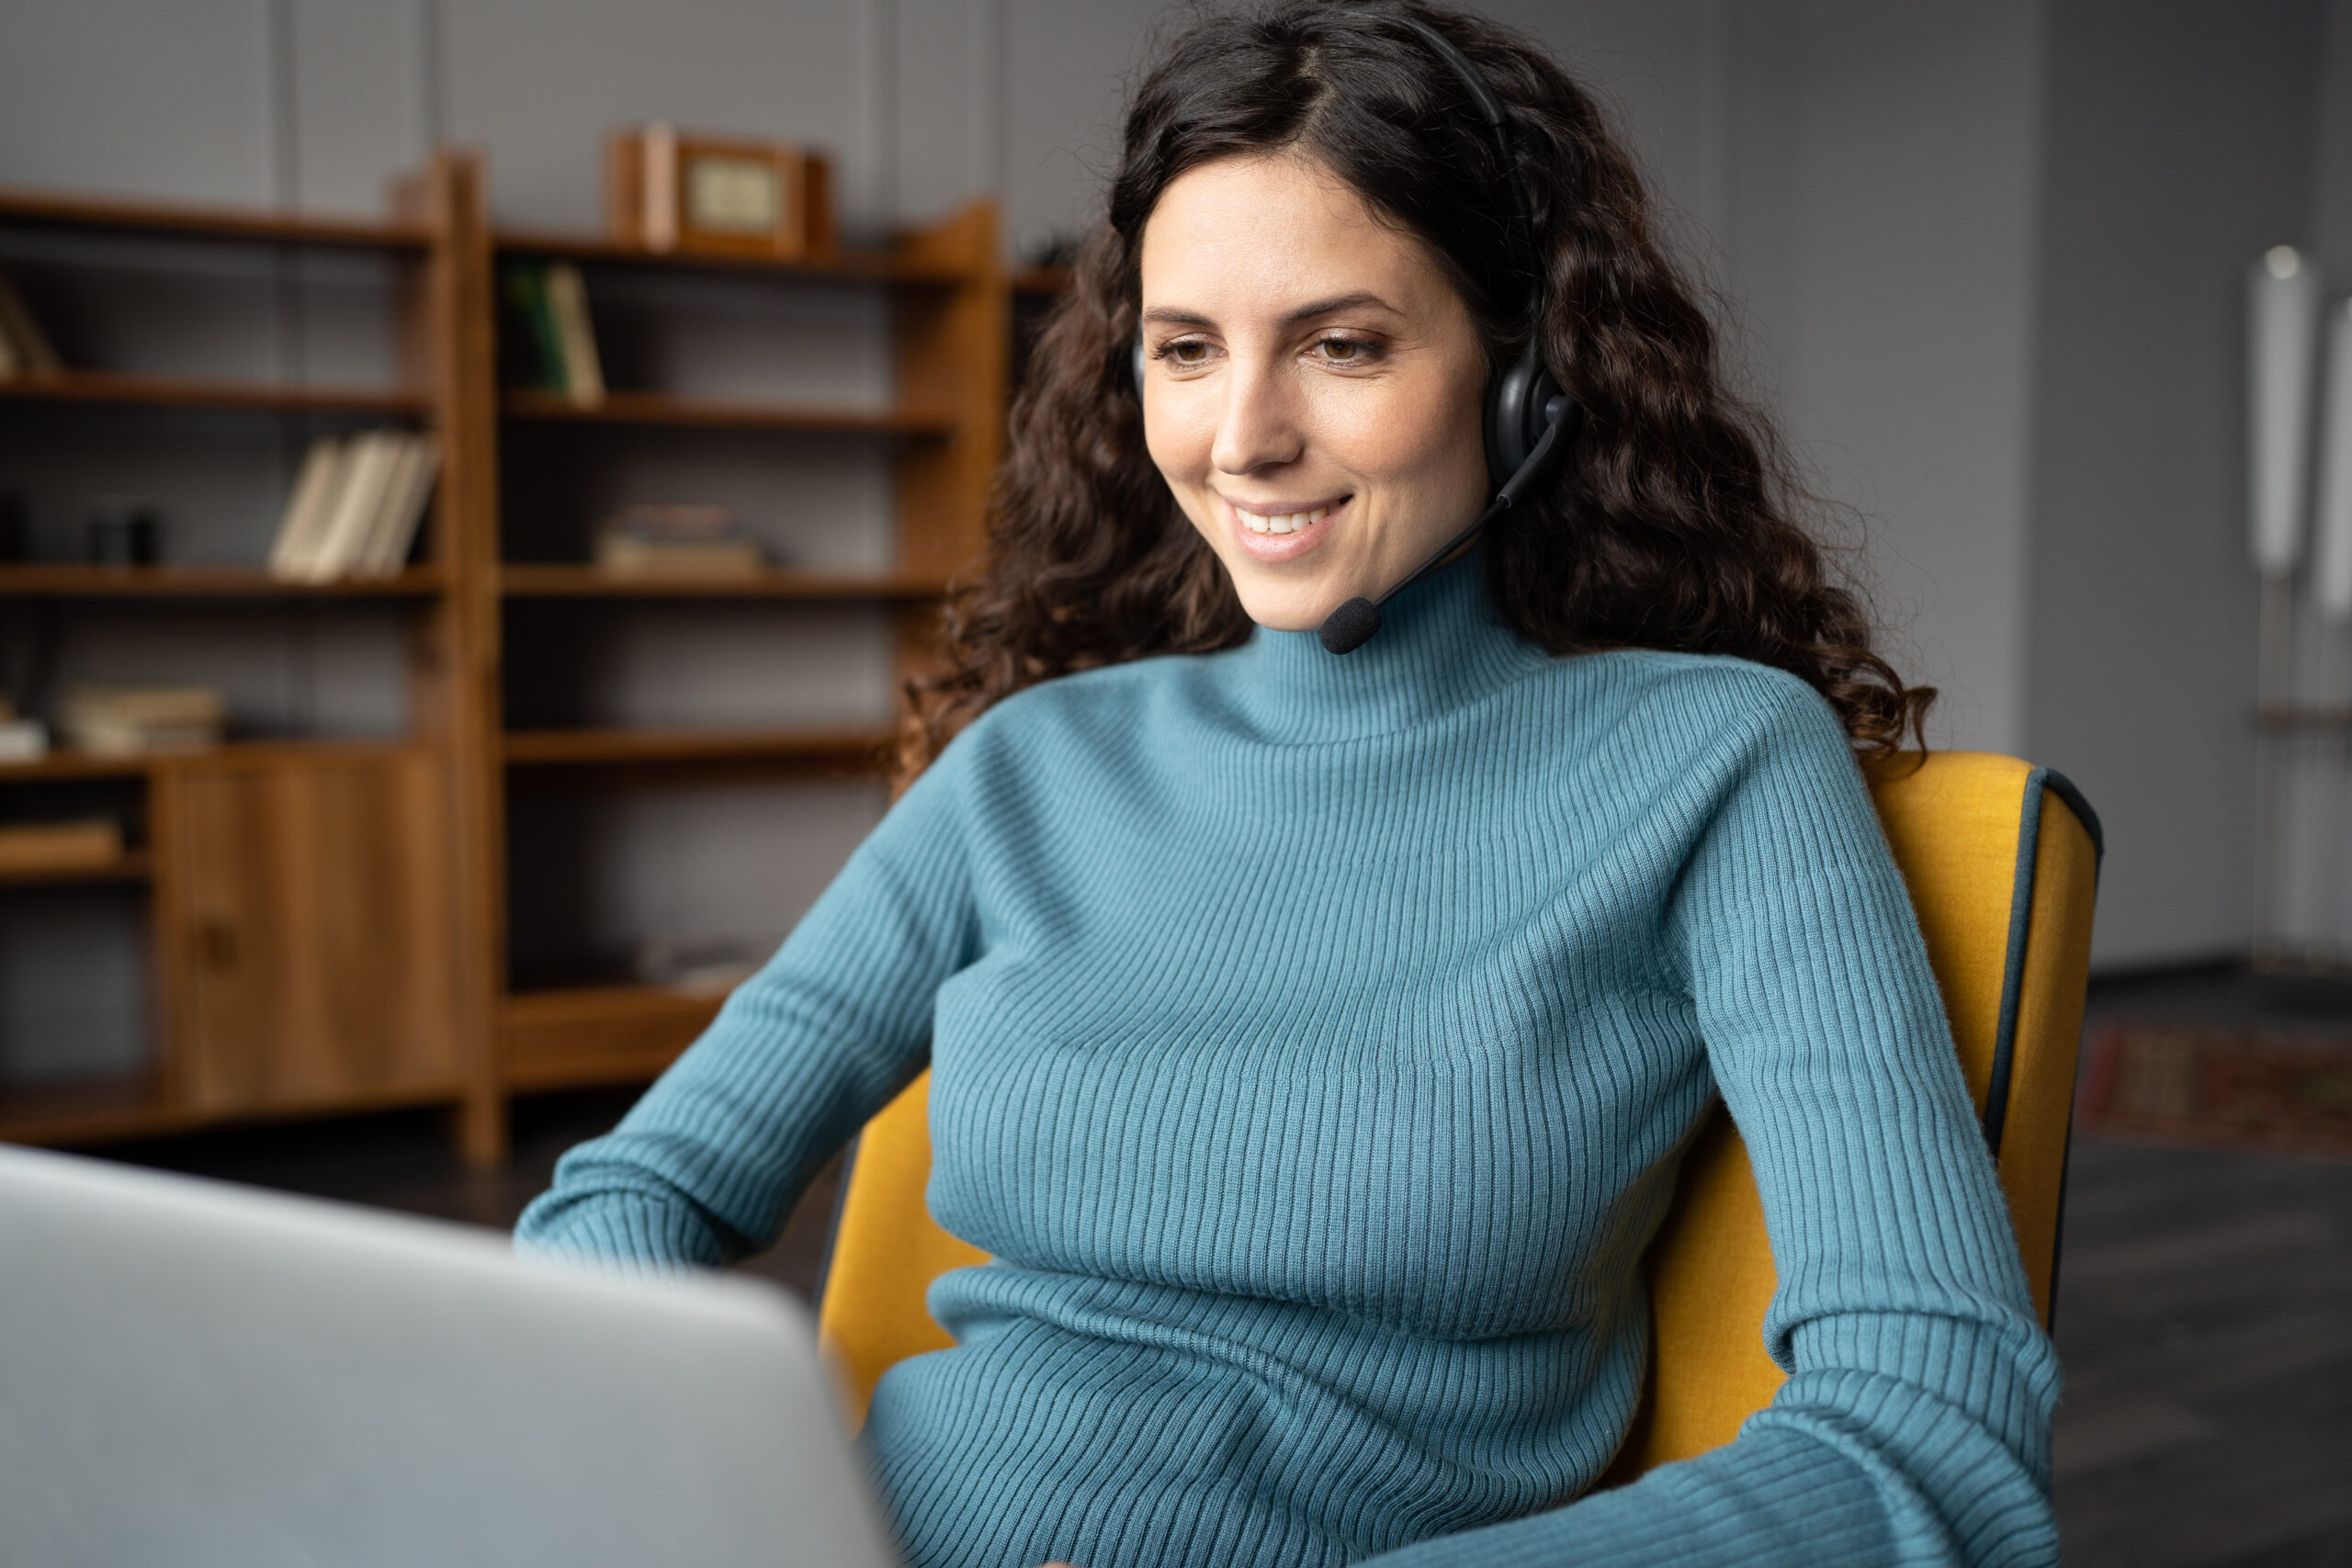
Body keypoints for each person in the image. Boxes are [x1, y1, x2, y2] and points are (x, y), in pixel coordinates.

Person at [517, 5, 2059, 1565]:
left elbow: (1926, 1432)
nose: (1242, 438)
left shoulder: (1718, 764)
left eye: (1342, 345)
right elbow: (629, 1198)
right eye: (1185, 350)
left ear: (1527, 370)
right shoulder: (1032, 767)